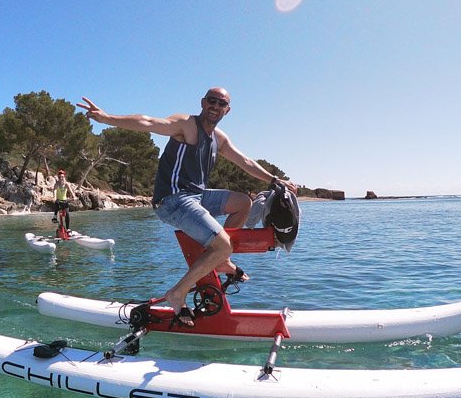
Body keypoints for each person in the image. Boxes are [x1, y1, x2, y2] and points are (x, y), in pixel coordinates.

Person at [78, 87, 298, 326]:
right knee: (223, 244)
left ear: (227, 110)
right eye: (212, 100)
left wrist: (274, 180)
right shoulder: (185, 125)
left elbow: (244, 161)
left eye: (221, 103)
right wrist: (107, 118)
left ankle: (220, 258)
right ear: (203, 102)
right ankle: (178, 292)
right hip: (172, 200)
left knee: (243, 202)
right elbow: (148, 122)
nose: (215, 106)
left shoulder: (219, 138)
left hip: (197, 196)